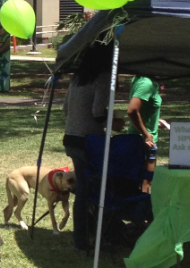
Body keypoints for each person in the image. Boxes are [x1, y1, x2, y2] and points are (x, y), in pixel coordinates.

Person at [62, 42, 113, 251]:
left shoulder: (77, 78)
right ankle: (84, 238)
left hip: (71, 138)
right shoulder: (102, 77)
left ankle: (85, 235)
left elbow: (65, 109)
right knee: (89, 189)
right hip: (88, 141)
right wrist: (112, 120)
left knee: (84, 188)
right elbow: (98, 111)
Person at [126, 76, 161, 193]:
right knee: (144, 184)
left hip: (141, 138)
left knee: (139, 182)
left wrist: (156, 120)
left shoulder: (142, 80)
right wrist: (145, 133)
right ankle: (141, 207)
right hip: (145, 141)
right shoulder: (146, 83)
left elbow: (144, 109)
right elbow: (132, 110)